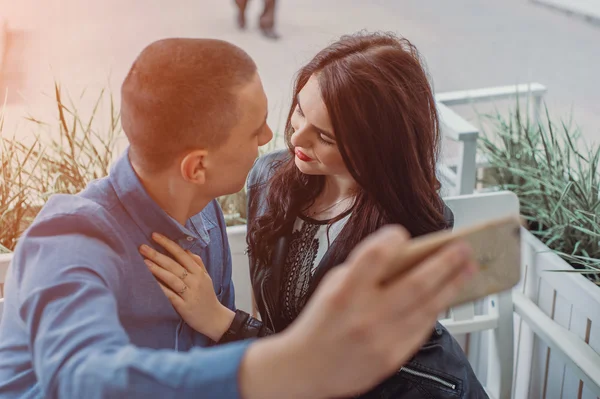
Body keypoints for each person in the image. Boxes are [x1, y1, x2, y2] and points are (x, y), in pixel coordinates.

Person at [0, 37, 478, 398]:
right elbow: (80, 377)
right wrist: (291, 362)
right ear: (198, 166)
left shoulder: (203, 210)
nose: (278, 137)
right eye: (257, 130)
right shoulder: (69, 237)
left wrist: (229, 328)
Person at [142, 32, 489, 398]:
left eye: (325, 136)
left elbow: (334, 373)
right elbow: (279, 325)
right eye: (300, 111)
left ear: (377, 148)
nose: (296, 139)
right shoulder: (270, 180)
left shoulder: (408, 233)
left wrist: (220, 320)